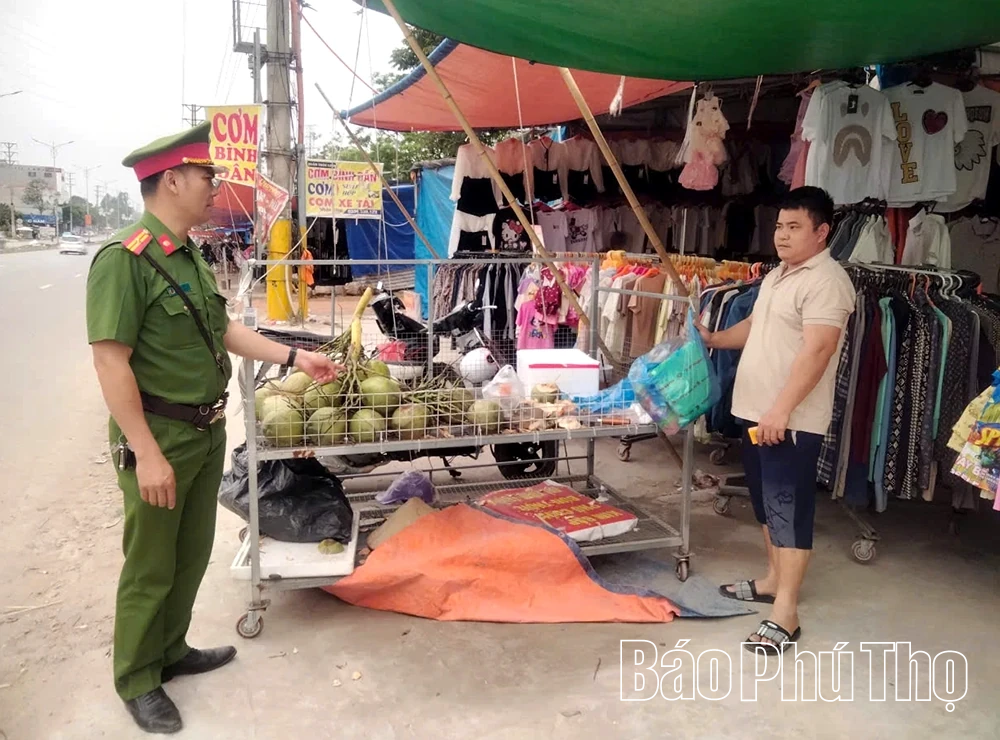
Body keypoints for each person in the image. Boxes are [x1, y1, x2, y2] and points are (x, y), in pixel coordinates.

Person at [86, 122, 343, 734]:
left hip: (204, 433)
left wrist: (293, 356)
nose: (214, 186)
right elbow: (109, 360)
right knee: (151, 562)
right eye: (206, 177)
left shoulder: (189, 255)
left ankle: (170, 651)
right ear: (171, 180)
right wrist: (145, 453)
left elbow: (222, 329)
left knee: (192, 552)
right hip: (160, 437)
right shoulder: (124, 260)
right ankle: (138, 677)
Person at [698, 186, 855, 654]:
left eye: (794, 227)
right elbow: (756, 326)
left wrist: (782, 409)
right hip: (755, 411)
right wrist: (715, 337)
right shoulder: (778, 275)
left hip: (789, 418)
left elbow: (819, 348)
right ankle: (772, 579)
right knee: (767, 507)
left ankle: (786, 612)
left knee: (789, 510)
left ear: (821, 232)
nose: (782, 236)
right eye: (779, 226)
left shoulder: (827, 282)